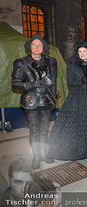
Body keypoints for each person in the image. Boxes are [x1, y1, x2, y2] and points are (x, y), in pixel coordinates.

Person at [47, 41, 87, 160]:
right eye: (80, 51)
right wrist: (80, 81)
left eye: (84, 51)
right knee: (77, 123)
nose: (82, 54)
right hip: (78, 97)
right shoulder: (72, 65)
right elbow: (70, 82)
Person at [11, 33, 57, 169]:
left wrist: (54, 99)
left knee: (44, 130)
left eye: (39, 45)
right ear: (30, 47)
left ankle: (44, 153)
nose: (37, 47)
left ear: (43, 47)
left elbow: (53, 82)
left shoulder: (51, 61)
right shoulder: (21, 62)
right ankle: (36, 157)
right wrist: (33, 84)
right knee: (34, 131)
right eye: (34, 45)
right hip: (31, 102)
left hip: (47, 101)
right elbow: (15, 84)